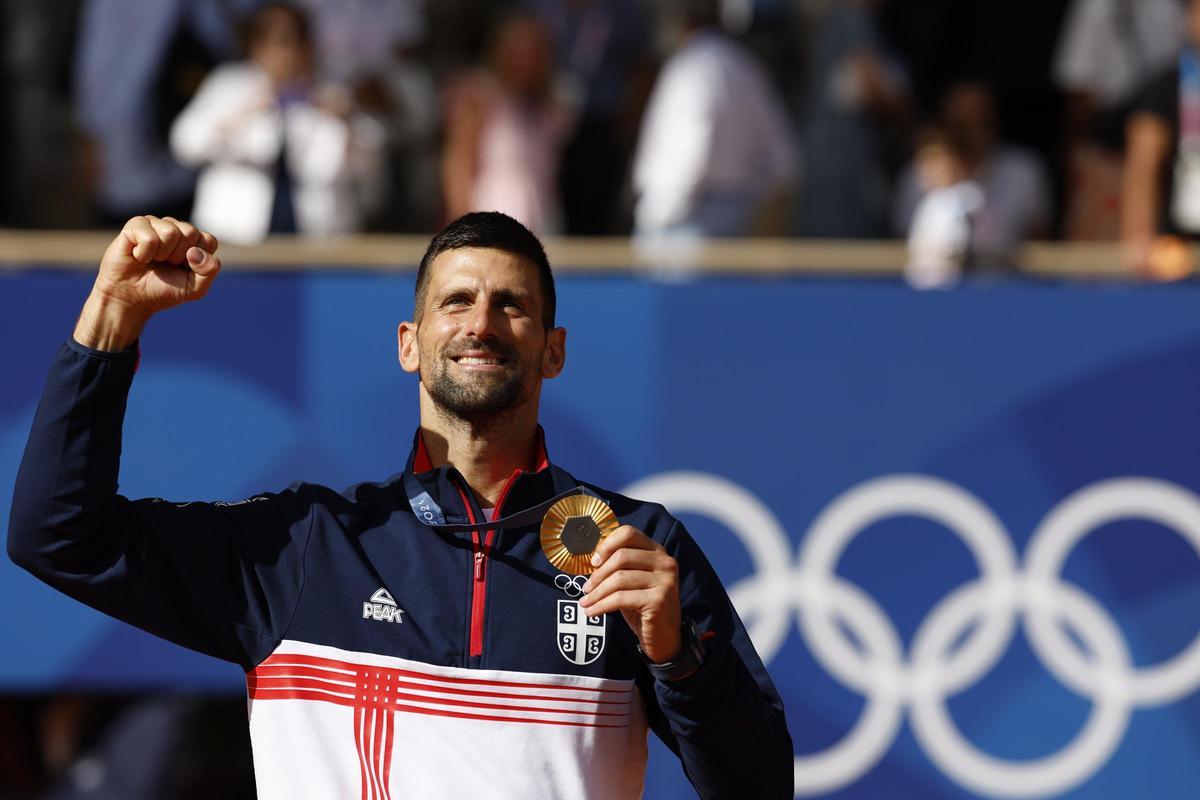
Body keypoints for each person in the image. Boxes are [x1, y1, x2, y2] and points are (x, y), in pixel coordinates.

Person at [8, 212, 793, 798]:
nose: (481, 323)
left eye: (510, 305)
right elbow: (58, 533)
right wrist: (111, 317)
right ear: (409, 343)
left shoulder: (634, 548)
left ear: (553, 349)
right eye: (456, 302)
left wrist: (680, 656)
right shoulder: (309, 546)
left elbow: (760, 788)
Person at [169, 3, 385, 244]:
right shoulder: (230, 86)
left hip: (321, 240)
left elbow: (370, 168)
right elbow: (185, 144)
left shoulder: (331, 91)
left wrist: (346, 121)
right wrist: (244, 112)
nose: (287, 54)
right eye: (279, 43)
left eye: (296, 43)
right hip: (234, 237)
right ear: (257, 47)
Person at [631, 0, 799, 239]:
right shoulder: (746, 68)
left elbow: (694, 149)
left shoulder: (693, 68)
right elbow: (783, 162)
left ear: (684, 24)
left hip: (683, 224)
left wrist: (662, 214)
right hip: (733, 218)